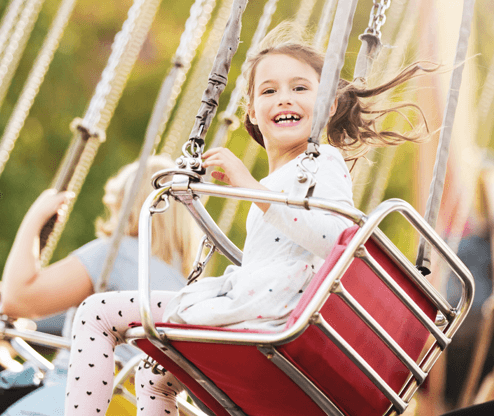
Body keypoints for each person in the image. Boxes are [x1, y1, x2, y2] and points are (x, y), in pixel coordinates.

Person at [64, 23, 433, 416]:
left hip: (274, 316)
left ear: (328, 105)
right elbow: (273, 255)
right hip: (261, 306)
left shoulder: (323, 161)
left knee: (96, 312)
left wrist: (251, 188)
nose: (284, 98)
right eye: (269, 91)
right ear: (252, 112)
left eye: (300, 88)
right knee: (156, 373)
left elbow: (339, 238)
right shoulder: (279, 180)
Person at [0, 155, 198, 416]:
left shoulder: (116, 254)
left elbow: (17, 300)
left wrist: (34, 218)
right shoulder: (186, 286)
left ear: (128, 205)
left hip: (75, 399)